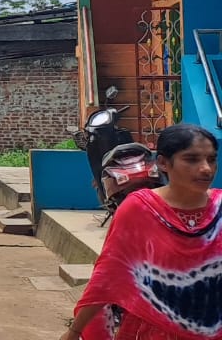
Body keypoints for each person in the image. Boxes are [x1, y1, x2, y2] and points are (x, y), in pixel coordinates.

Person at [63, 123, 222, 340]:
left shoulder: (219, 207)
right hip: (151, 333)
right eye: (191, 159)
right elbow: (109, 275)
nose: (206, 168)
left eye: (211, 159)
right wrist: (75, 331)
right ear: (163, 163)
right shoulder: (139, 209)